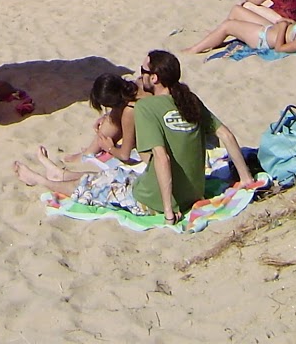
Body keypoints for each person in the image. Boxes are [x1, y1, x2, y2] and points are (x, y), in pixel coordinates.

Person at [13, 50, 251, 222]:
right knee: (113, 175)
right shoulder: (190, 100)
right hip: (194, 192)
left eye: (143, 71)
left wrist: (168, 210)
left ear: (154, 78)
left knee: (89, 186)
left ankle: (41, 180)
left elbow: (160, 158)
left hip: (151, 199)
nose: (140, 76)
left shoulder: (145, 109)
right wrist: (246, 179)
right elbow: (227, 135)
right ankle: (59, 172)